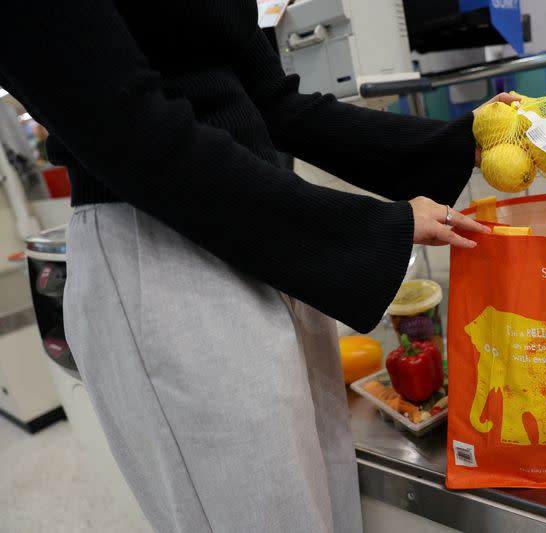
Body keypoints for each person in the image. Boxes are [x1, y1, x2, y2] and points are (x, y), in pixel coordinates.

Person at [0, 2, 518, 532]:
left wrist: (455, 142)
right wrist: (374, 226)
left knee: (330, 507)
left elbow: (274, 103)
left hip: (266, 228)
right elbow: (126, 128)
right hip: (162, 244)